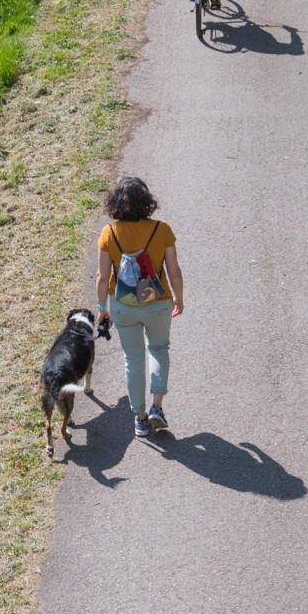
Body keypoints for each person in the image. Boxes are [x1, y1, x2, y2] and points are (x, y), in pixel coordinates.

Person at [93, 177, 185, 438]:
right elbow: (174, 271)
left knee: (133, 359)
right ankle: (157, 407)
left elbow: (102, 276)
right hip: (158, 302)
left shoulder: (108, 233)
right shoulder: (162, 229)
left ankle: (140, 418)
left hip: (123, 305)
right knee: (158, 349)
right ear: (147, 202)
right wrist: (178, 297)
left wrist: (102, 308)